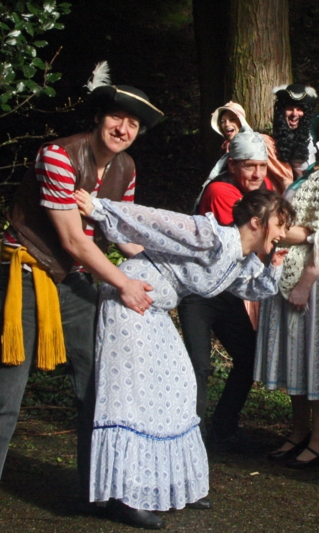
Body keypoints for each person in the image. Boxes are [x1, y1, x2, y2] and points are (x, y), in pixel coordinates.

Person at [0, 63, 163, 533]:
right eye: (117, 117)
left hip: (74, 281)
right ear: (99, 117)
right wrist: (124, 284)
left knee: (102, 388)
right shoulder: (58, 156)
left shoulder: (126, 168)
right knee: (3, 392)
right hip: (28, 273)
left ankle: (106, 492)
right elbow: (73, 240)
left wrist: (167, 262)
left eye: (133, 123)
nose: (124, 128)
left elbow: (121, 233)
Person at [77, 188, 293, 530]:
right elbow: (156, 222)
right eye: (279, 225)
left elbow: (254, 289)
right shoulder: (211, 237)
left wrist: (274, 267)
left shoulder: (240, 259)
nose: (283, 233)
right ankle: (123, 498)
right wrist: (100, 209)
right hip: (128, 301)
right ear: (256, 222)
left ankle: (171, 483)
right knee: (133, 396)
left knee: (180, 385)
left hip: (155, 309)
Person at [255, 110, 319, 468]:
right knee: (297, 358)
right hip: (294, 267)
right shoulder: (314, 172)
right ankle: (299, 431)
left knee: (315, 360)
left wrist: (303, 283)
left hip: (314, 276)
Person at [177, 131, 274, 451]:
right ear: (232, 165)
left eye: (262, 166)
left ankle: (223, 428)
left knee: (249, 358)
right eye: (249, 166)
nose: (258, 174)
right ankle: (190, 436)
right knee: (199, 365)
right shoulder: (220, 190)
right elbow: (253, 234)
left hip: (227, 290)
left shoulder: (260, 187)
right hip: (198, 292)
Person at [271, 83, 318, 180]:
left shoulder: (315, 136)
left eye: (299, 109)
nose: (294, 114)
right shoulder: (272, 142)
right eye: (290, 109)